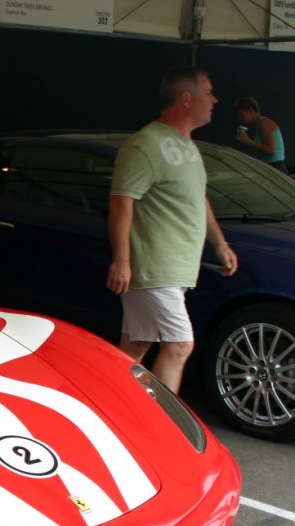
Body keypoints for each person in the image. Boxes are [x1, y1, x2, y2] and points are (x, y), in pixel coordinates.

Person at [106, 66, 238, 394]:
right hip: (154, 269)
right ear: (186, 99)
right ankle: (162, 422)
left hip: (172, 270)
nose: (215, 100)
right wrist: (121, 261)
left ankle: (112, 406)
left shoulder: (187, 146)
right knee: (179, 346)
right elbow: (121, 201)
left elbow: (197, 197)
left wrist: (219, 243)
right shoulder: (146, 145)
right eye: (208, 93)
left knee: (136, 346)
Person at [234, 96, 287, 172]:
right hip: (272, 166)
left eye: (242, 115)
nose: (240, 119)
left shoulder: (263, 123)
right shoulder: (260, 123)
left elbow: (271, 149)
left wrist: (249, 142)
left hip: (275, 167)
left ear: (251, 110)